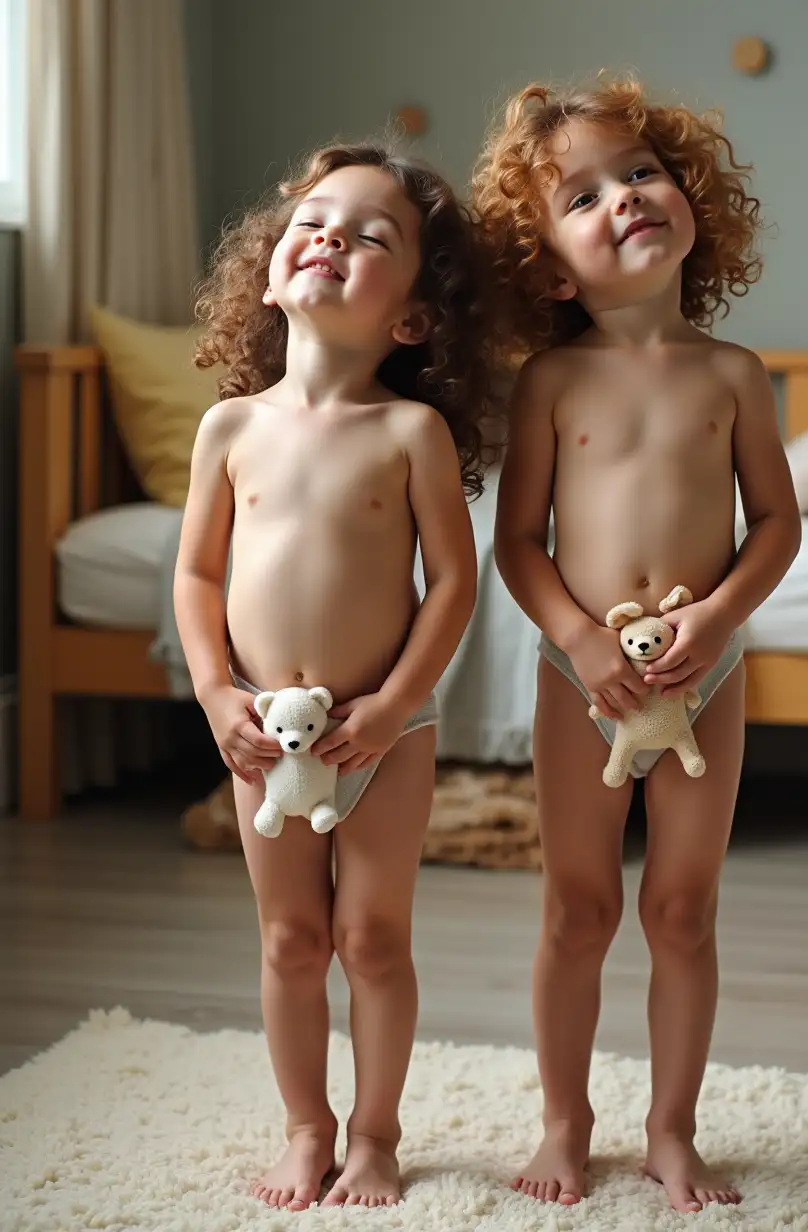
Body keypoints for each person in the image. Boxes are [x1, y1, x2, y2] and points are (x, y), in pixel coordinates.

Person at [472, 78, 801, 1213]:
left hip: (707, 676)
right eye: (583, 194)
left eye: (642, 173)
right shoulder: (549, 382)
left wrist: (716, 621)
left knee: (681, 907)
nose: (625, 198)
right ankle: (566, 1119)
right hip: (584, 678)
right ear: (551, 267)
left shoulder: (734, 374)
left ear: (690, 197)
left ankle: (671, 1127)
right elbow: (517, 542)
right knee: (577, 905)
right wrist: (575, 636)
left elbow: (776, 522)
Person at [175, 141, 500, 1211]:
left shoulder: (410, 432)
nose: (332, 241)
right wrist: (219, 691)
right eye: (314, 223)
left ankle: (375, 1132)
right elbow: (197, 571)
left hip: (383, 735)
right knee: (289, 936)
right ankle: (306, 1125)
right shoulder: (231, 426)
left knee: (370, 935)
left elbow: (452, 582)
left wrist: (401, 701)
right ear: (272, 274)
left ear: (411, 317)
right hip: (264, 731)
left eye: (372, 236)